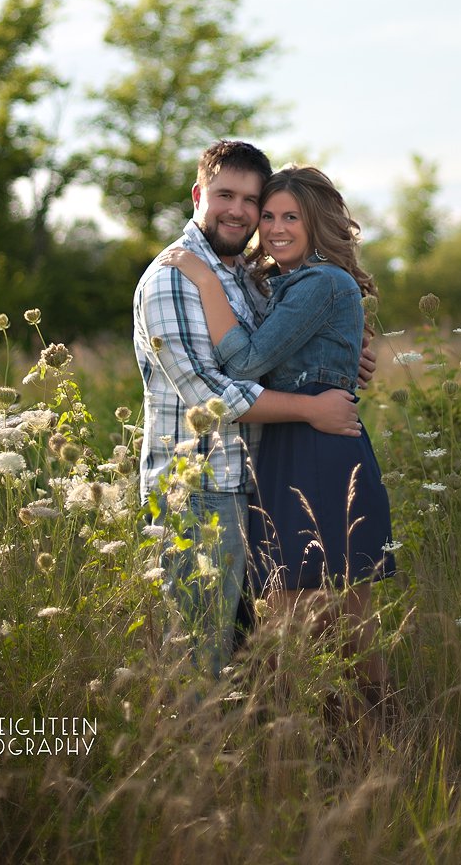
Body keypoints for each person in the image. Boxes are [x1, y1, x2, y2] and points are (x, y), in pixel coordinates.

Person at [160, 164, 395, 702]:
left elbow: (244, 362)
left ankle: (368, 736)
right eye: (269, 216)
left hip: (317, 448)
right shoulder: (276, 282)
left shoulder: (319, 281)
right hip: (292, 442)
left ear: (318, 225)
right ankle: (316, 737)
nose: (276, 226)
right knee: (317, 616)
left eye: (292, 216)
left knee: (319, 620)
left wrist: (201, 278)